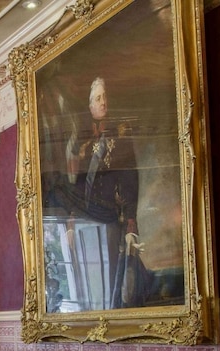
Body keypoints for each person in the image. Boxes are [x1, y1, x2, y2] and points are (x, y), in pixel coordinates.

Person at [57, 76, 149, 309]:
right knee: (93, 284)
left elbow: (130, 181)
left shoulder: (121, 137)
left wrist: (130, 225)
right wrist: (71, 223)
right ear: (90, 107)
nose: (103, 102)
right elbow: (79, 188)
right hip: (88, 222)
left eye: (105, 97)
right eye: (98, 98)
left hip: (111, 220)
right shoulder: (85, 145)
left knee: (116, 283)